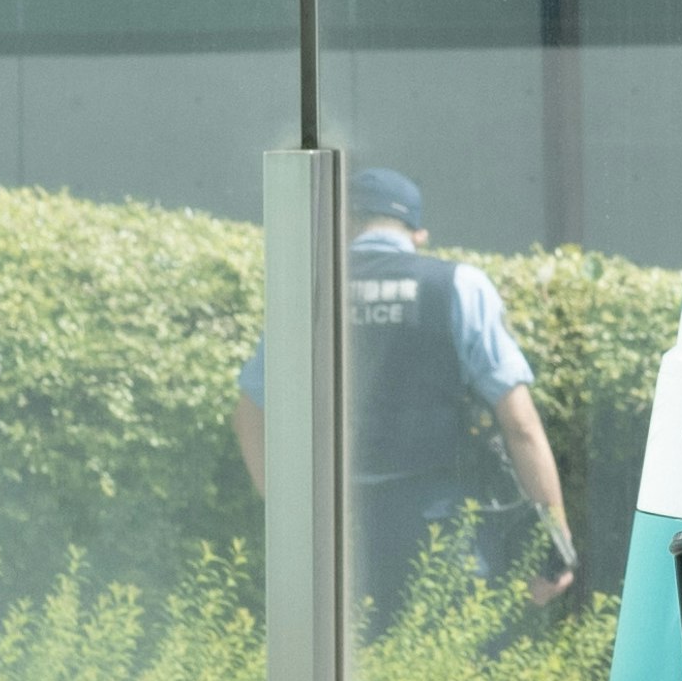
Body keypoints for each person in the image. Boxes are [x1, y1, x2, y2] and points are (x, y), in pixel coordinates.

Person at [233, 166, 578, 624]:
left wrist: (289, 521)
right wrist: (555, 541)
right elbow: (520, 426)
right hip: (441, 525)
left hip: (339, 529)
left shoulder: (305, 292)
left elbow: (249, 414)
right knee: (455, 674)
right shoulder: (458, 285)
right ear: (418, 234)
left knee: (347, 677)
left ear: (342, 224)